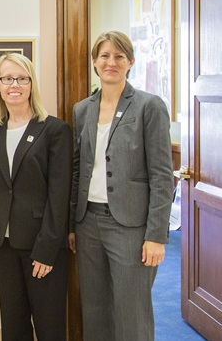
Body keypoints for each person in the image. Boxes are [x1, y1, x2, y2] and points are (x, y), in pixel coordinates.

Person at [69, 30, 173, 341]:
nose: (110, 62)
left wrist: (156, 235)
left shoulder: (148, 106)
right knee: (95, 310)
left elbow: (161, 175)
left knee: (132, 313)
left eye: (118, 56)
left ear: (130, 62)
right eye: (104, 56)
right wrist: (73, 224)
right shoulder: (82, 109)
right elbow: (78, 170)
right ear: (94, 62)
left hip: (131, 227)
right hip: (88, 224)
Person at [0, 53, 71, 341]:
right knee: (13, 325)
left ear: (31, 84)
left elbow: (59, 194)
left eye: (21, 78)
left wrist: (47, 249)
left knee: (49, 324)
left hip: (41, 245)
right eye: (7, 78)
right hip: (2, 244)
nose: (14, 84)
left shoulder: (55, 129)